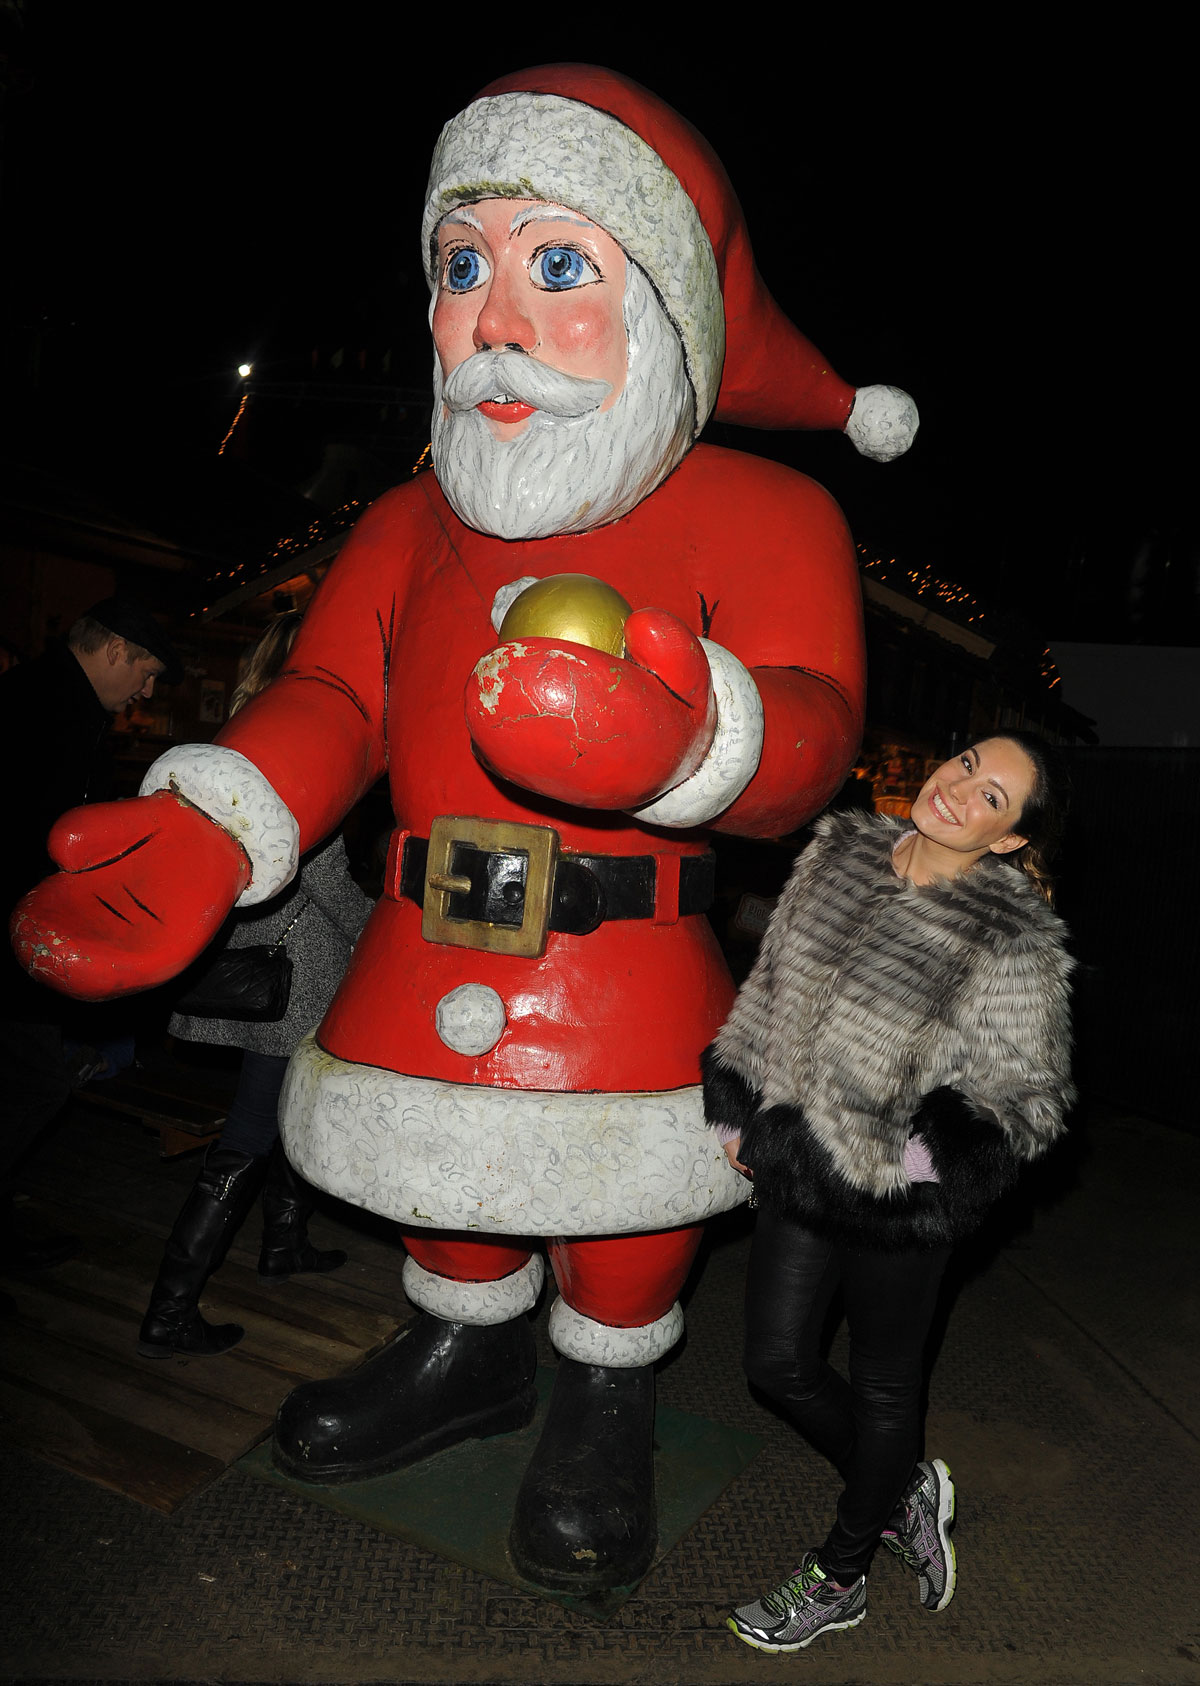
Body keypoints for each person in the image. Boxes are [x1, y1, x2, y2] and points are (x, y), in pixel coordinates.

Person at [12, 66, 915, 1592]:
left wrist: (696, 733)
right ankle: (464, 1352)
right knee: (452, 1185)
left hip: (625, 959)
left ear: (670, 314)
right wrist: (217, 825)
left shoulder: (772, 516)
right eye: (462, 262)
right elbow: (329, 701)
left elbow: (809, 732)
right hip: (427, 940)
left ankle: (606, 1392)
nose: (495, 316)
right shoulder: (400, 524)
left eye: (559, 264)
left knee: (622, 1205)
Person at [703, 732, 1075, 1653]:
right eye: (966, 766)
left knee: (882, 1383)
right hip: (798, 1161)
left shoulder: (1011, 937)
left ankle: (840, 1575)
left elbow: (1029, 1099)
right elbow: (771, 984)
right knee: (776, 1364)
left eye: (993, 798)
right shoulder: (838, 853)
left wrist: (904, 1167)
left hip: (903, 1204)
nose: (960, 791)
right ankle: (902, 1488)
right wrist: (736, 1106)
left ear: (1007, 842)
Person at [139, 613, 373, 1358]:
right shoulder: (297, 756)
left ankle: (283, 1243)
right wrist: (386, 930)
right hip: (292, 974)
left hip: (237, 967)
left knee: (286, 1110)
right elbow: (327, 879)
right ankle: (170, 1311)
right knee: (249, 1132)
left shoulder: (220, 749)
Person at [0, 596, 181, 1269]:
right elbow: (49, 834)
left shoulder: (39, 695)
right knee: (34, 1082)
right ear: (114, 650)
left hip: (20, 923)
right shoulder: (54, 711)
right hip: (16, 930)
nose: (147, 689)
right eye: (147, 672)